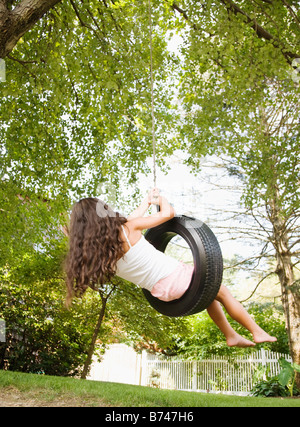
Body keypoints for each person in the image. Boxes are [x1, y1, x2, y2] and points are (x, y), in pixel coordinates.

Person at [65, 188, 277, 348]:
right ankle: (256, 331)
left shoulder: (99, 254)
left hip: (161, 294)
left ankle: (230, 335)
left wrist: (146, 202)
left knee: (210, 296)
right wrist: (160, 200)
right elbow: (168, 213)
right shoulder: (127, 228)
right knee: (222, 290)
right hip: (175, 277)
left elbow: (131, 218)